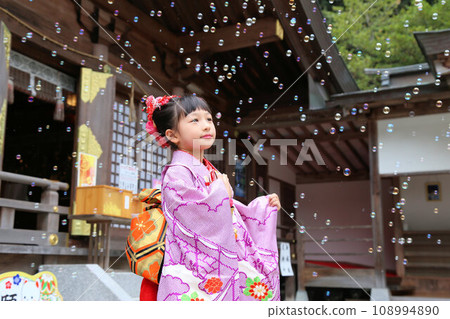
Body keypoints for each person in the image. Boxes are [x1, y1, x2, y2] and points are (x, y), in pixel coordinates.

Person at [147, 94, 281, 301]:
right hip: (192, 269)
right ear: (173, 135)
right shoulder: (176, 173)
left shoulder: (207, 170)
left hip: (222, 262)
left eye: (209, 119)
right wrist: (220, 193)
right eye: (195, 120)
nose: (206, 126)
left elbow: (228, 210)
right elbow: (198, 214)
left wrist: (261, 208)